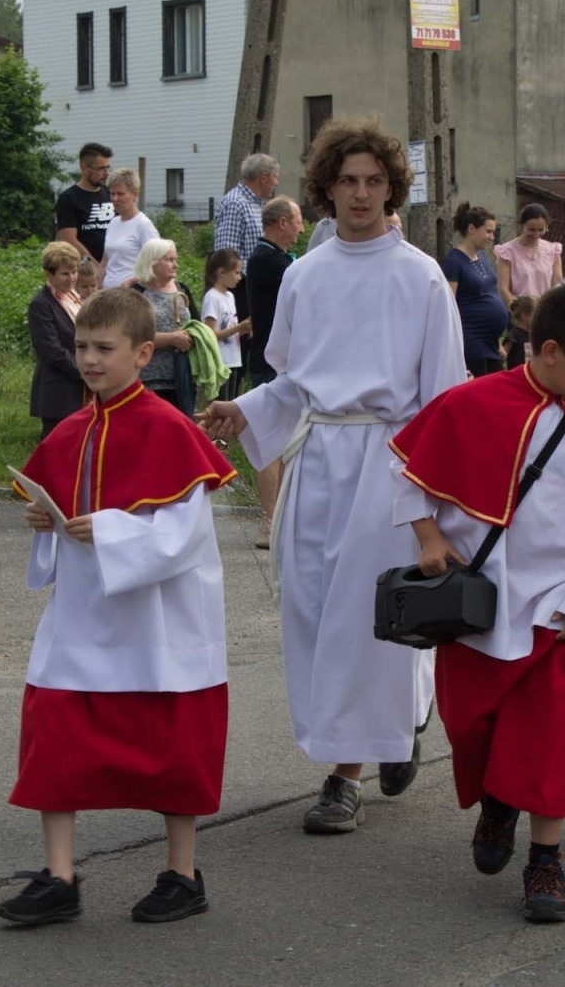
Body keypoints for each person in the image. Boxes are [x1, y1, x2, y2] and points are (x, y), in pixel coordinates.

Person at [198, 117, 465, 833]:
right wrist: (243, 410)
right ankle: (399, 719)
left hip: (389, 465)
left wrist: (431, 506)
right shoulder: (305, 276)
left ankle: (344, 775)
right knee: (312, 613)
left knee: (364, 619)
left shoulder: (421, 277)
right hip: (317, 463)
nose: (360, 193)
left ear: (391, 189)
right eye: (347, 180)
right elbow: (297, 387)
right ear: (325, 188)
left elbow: (442, 401)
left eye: (374, 181)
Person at [392, 281, 565, 922]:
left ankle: (546, 861)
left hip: (558, 613)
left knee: (549, 742)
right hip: (476, 611)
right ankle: (496, 801)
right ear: (549, 351)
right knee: (472, 727)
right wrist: (429, 534)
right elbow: (406, 470)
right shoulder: (467, 404)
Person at [0, 288, 236, 927]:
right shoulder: (70, 429)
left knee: (171, 742)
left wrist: (109, 531)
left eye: (104, 348)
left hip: (157, 621)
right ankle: (59, 875)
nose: (90, 360)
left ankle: (182, 874)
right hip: (82, 618)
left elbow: (185, 537)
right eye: (81, 347)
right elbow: (63, 510)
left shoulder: (171, 429)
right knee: (55, 732)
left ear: (143, 352)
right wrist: (44, 522)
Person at [243, 195, 305, 548]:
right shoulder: (266, 260)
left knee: (284, 442)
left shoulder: (278, 259)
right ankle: (269, 520)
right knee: (269, 440)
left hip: (282, 360)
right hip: (269, 361)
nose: (300, 228)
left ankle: (280, 517)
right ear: (281, 222)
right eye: (296, 221)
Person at [28, 241, 88, 440]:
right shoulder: (41, 304)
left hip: (81, 389)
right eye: (64, 274)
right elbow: (51, 351)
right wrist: (84, 371)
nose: (71, 278)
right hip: (59, 390)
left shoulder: (74, 296)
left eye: (74, 272)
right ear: (48, 274)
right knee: (56, 444)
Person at [442, 201, 510, 377]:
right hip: (471, 342)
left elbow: (490, 293)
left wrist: (497, 342)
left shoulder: (481, 256)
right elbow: (448, 305)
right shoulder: (454, 261)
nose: (492, 237)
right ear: (472, 229)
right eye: (488, 231)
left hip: (490, 344)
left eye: (493, 232)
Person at [131, 238, 194, 416]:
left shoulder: (182, 289)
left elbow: (197, 325)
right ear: (152, 262)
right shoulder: (137, 293)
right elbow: (131, 337)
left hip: (182, 378)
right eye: (169, 260)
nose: (176, 265)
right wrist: (171, 339)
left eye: (175, 259)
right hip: (148, 380)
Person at [213, 154, 281, 305]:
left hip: (254, 287)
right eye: (275, 177)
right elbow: (226, 254)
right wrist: (256, 274)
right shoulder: (235, 204)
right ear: (263, 178)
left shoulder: (258, 204)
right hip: (240, 290)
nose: (276, 183)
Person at [55, 143, 115, 292]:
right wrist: (95, 265)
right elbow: (69, 239)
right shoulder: (68, 199)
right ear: (84, 168)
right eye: (101, 168)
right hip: (85, 276)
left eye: (108, 168)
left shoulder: (111, 194)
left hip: (114, 270)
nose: (106, 173)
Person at [202, 249, 251, 401]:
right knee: (221, 406)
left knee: (231, 402)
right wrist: (238, 327)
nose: (239, 277)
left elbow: (229, 330)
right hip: (220, 362)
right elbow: (211, 334)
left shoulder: (230, 296)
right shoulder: (212, 297)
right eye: (236, 273)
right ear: (222, 272)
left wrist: (244, 330)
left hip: (234, 359)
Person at [100, 168, 160, 289]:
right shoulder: (112, 223)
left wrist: (132, 282)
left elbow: (157, 264)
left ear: (135, 194)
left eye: (120, 194)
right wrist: (96, 290)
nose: (115, 199)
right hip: (109, 294)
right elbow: (105, 263)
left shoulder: (143, 225)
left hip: (131, 295)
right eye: (112, 194)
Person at [493, 204, 563, 304]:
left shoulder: (553, 251)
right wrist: (519, 309)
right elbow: (503, 289)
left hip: (545, 311)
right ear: (521, 226)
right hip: (519, 313)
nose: (536, 234)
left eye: (540, 230)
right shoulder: (506, 252)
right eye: (531, 230)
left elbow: (557, 284)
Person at [504, 295, 535, 370]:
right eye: (535, 314)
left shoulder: (534, 335)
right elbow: (503, 354)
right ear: (524, 316)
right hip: (516, 375)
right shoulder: (514, 334)